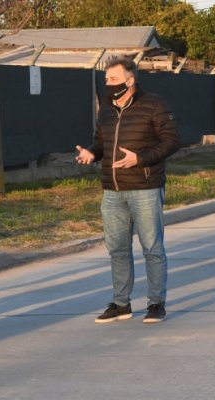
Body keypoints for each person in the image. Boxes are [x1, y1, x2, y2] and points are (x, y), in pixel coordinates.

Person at [75, 56, 181, 324]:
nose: (108, 84)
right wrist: (92, 153)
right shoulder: (107, 110)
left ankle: (156, 303)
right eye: (106, 80)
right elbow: (102, 142)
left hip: (145, 187)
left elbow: (172, 141)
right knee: (118, 250)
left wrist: (140, 159)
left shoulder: (154, 105)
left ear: (130, 80)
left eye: (113, 79)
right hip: (112, 191)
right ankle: (121, 303)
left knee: (152, 248)